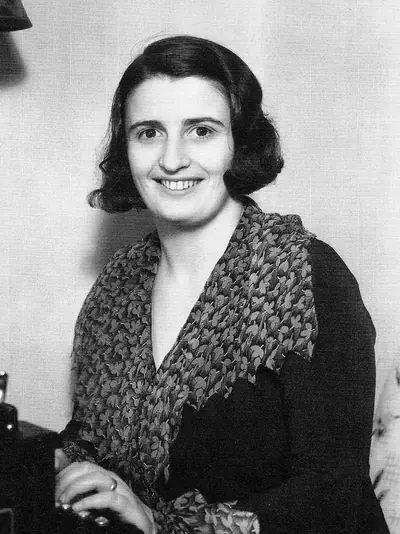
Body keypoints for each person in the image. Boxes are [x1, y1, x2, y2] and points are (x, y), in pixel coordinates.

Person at [55, 35, 389, 533]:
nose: (171, 159)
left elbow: (331, 492)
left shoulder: (305, 273)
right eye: (148, 132)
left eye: (201, 131)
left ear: (240, 144)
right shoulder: (117, 284)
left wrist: (161, 526)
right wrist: (55, 467)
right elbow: (89, 439)